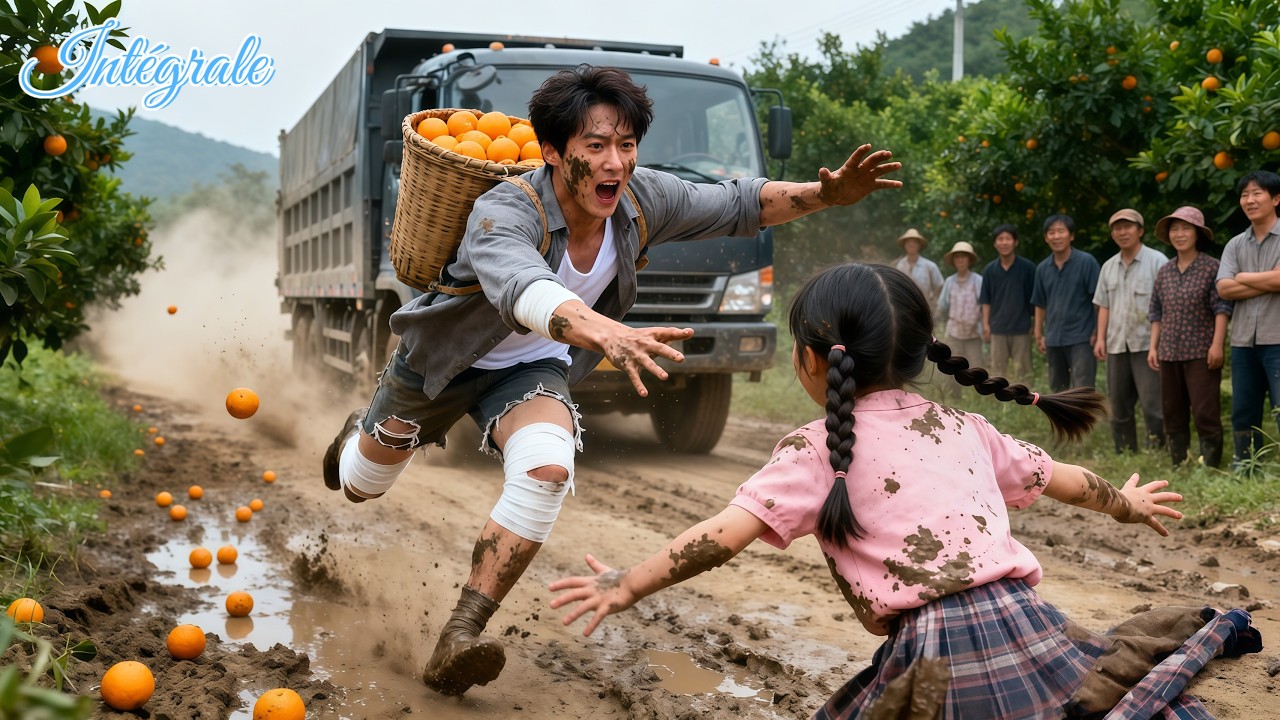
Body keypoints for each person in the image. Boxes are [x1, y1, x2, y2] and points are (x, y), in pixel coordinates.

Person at [319, 65, 903, 696]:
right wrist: (605, 332)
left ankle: (460, 633)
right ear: (551, 152)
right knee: (360, 486)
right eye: (595, 146)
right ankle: (359, 440)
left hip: (529, 365)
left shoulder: (641, 200)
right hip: (441, 363)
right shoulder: (503, 209)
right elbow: (523, 287)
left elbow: (739, 202)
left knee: (547, 469)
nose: (615, 163)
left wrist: (827, 195)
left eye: (626, 146)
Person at [549, 263, 1252, 718]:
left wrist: (627, 583)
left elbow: (718, 539)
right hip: (1033, 625)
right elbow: (1066, 481)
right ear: (920, 355)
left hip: (937, 652)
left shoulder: (811, 448)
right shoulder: (963, 423)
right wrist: (1126, 502)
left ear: (810, 362)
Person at [1148, 207, 1231, 468]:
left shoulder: (1212, 267)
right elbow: (1156, 311)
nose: (1179, 234)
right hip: (1169, 351)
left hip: (1201, 351)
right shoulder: (1165, 270)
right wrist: (1153, 347)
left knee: (1205, 410)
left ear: (1197, 234)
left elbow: (1222, 308)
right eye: (1174, 229)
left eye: (1186, 229)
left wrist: (1217, 345)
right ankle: (1179, 461)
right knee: (1172, 411)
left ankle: (1211, 464)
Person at [1216, 170, 1280, 469]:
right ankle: (1246, 465)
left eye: (1257, 193)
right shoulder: (1235, 245)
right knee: (1243, 409)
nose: (1249, 200)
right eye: (1244, 194)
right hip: (1243, 341)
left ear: (1276, 198)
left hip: (1277, 337)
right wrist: (1267, 280)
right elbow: (1223, 287)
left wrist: (1241, 277)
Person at [1093, 209, 1168, 454]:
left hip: (1147, 344)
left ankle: (1156, 449)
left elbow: (1167, 304)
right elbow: (1103, 305)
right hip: (1116, 343)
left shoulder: (1157, 261)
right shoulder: (1108, 266)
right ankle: (1125, 450)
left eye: (1128, 227)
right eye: (1117, 228)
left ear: (1140, 231)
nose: (1122, 232)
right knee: (1119, 403)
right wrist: (1101, 338)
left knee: (1152, 404)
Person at [1032, 214, 1100, 392]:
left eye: (1061, 231)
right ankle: (1062, 421)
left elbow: (1098, 302)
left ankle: (1084, 421)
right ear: (1046, 237)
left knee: (1082, 387)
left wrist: (1097, 332)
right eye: (1051, 232)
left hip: (1082, 338)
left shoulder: (1087, 262)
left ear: (1071, 235)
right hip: (1054, 338)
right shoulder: (1042, 268)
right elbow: (1040, 303)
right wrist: (1039, 334)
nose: (1056, 236)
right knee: (1058, 390)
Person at [980, 223, 1036, 384]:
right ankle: (1001, 404)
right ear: (995, 243)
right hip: (998, 328)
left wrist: (1034, 324)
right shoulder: (990, 270)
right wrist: (986, 324)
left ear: (1015, 242)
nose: (1004, 243)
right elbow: (986, 300)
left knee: (1023, 371)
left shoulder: (1028, 268)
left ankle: (1026, 404)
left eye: (1008, 239)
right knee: (998, 373)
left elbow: (1034, 299)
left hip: (1022, 327)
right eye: (1000, 239)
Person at [937, 241, 983, 396]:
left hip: (973, 333)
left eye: (963, 257)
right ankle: (954, 397)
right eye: (957, 257)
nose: (960, 260)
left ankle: (975, 397)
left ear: (969, 260)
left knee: (976, 367)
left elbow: (984, 307)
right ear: (954, 261)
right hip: (954, 332)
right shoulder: (949, 281)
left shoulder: (978, 281)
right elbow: (942, 306)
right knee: (952, 367)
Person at [893, 228, 943, 313]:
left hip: (925, 309)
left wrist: (932, 298)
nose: (911, 244)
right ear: (904, 245)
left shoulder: (929, 266)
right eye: (908, 242)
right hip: (904, 310)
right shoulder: (900, 265)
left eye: (914, 242)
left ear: (919, 245)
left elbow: (939, 284)